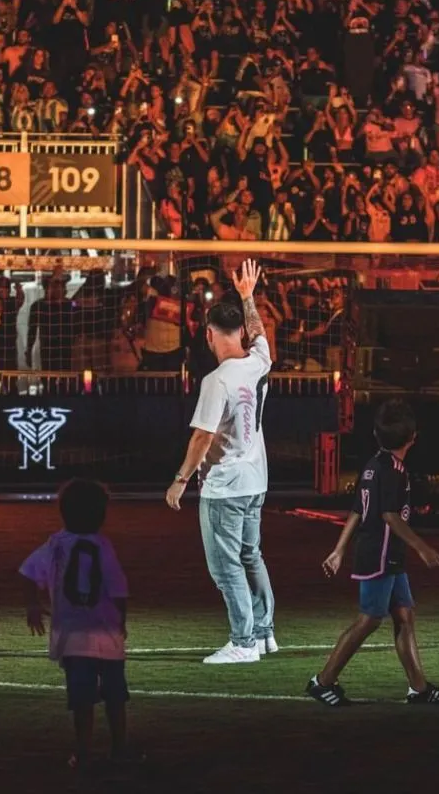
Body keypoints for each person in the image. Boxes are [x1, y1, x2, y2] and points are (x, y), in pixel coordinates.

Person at [306, 399, 439, 707]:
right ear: (413, 437)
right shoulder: (394, 472)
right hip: (380, 555)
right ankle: (322, 682)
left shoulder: (374, 464)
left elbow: (357, 510)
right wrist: (422, 547)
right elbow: (389, 516)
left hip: (387, 555)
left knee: (404, 615)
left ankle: (419, 689)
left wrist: (338, 550)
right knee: (369, 620)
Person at [165, 259, 276, 664]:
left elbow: (202, 436)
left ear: (210, 334)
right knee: (251, 556)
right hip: (256, 480)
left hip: (226, 485)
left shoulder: (218, 380)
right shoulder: (258, 361)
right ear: (242, 332)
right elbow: (261, 334)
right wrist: (248, 297)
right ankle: (264, 633)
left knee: (226, 566)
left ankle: (243, 642)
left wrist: (180, 479)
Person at [20, 479, 139, 770]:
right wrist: (121, 619)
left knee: (81, 698)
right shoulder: (102, 545)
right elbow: (117, 587)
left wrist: (33, 604)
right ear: (101, 514)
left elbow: (26, 572)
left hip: (72, 636)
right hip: (105, 633)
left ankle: (84, 752)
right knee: (114, 696)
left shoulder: (56, 544)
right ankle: (119, 748)